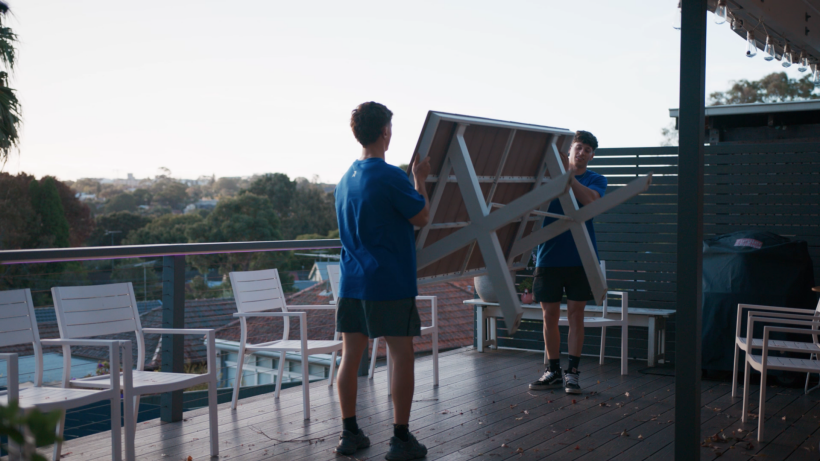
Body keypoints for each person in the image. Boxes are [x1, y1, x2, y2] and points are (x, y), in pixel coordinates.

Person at [333, 101, 431, 460]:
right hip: (389, 282)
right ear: (386, 131)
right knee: (401, 355)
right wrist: (419, 180)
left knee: (350, 356)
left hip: (351, 282)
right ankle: (400, 439)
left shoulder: (344, 180)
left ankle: (349, 434)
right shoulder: (390, 176)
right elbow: (422, 216)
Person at [528, 130, 607, 395]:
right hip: (548, 257)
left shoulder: (596, 179)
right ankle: (552, 371)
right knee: (548, 316)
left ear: (592, 156)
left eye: (587, 149)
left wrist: (567, 176)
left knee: (576, 315)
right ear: (569, 150)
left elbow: (591, 201)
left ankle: (572, 373)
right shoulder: (545, 179)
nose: (582, 152)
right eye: (579, 147)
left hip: (581, 258)